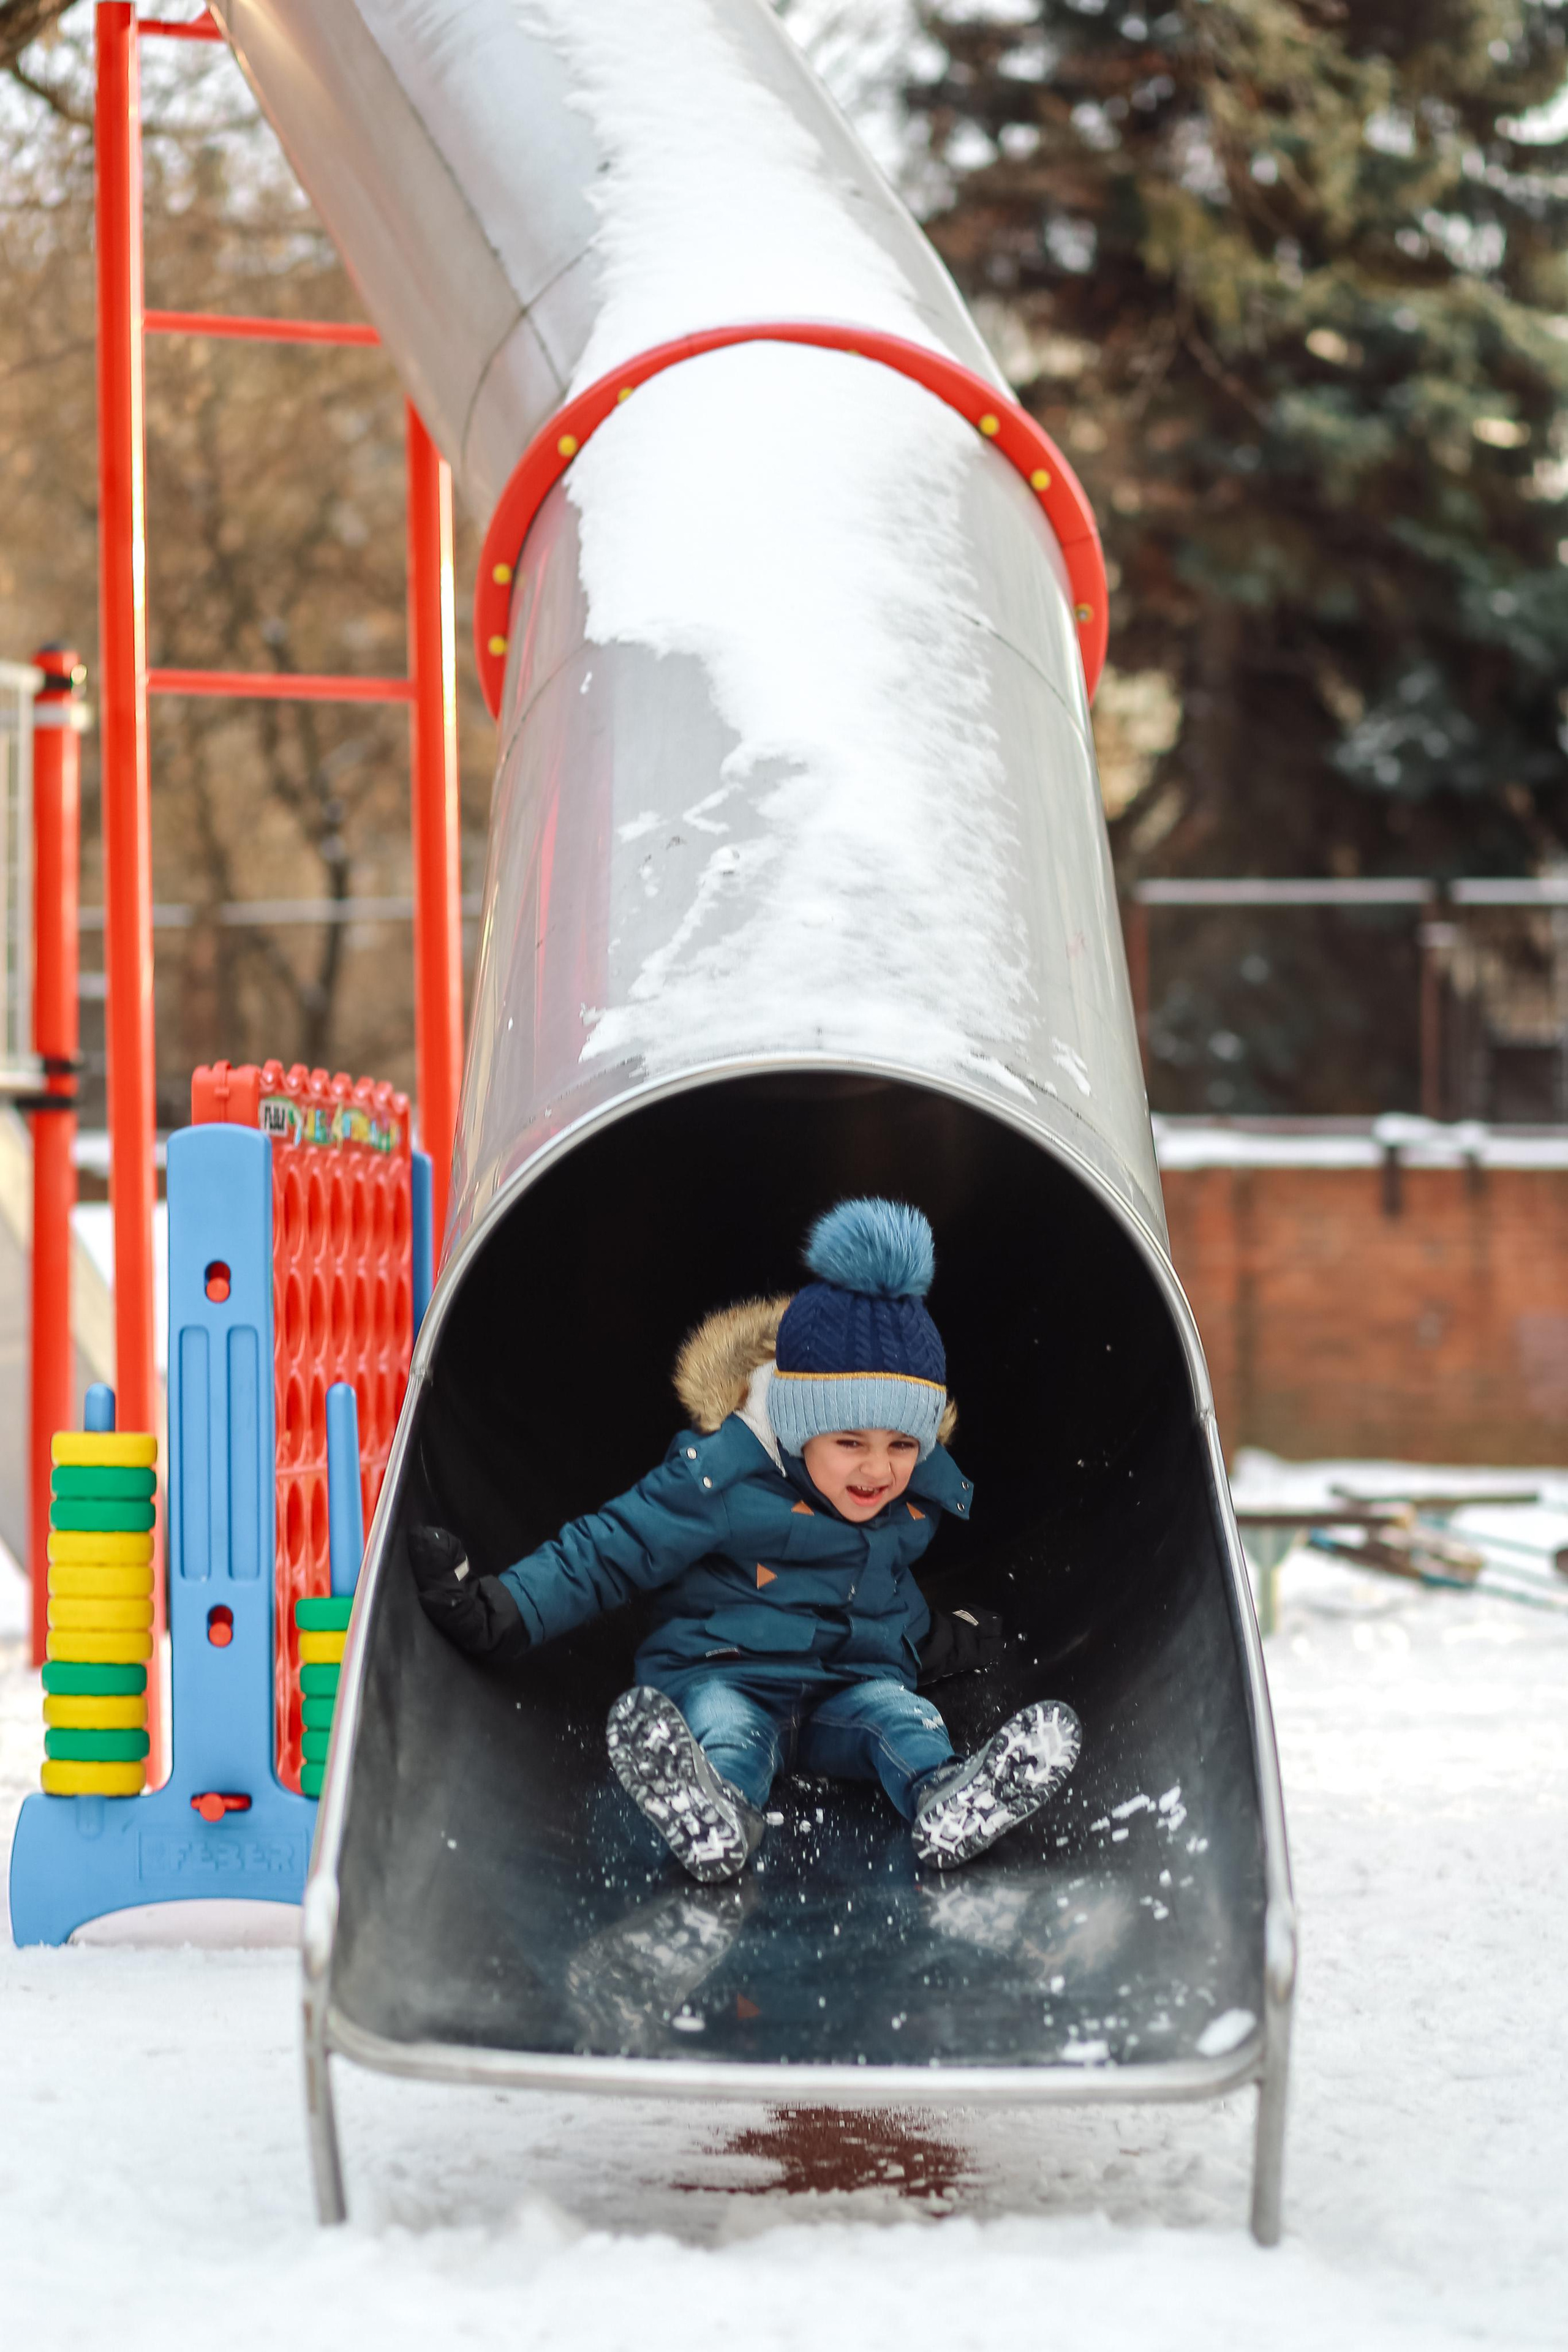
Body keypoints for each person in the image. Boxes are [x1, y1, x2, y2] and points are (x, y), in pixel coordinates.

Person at [409, 1197, 1080, 1883]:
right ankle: (716, 1812)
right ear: (799, 1424)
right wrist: (502, 1610)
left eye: (902, 1444)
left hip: (847, 1690)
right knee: (727, 1731)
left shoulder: (908, 1501)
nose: (878, 1470)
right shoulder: (723, 1478)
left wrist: (955, 1638)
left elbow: (889, 1600)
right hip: (727, 1674)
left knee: (903, 1717)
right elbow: (613, 1547)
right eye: (850, 1442)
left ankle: (947, 1797)